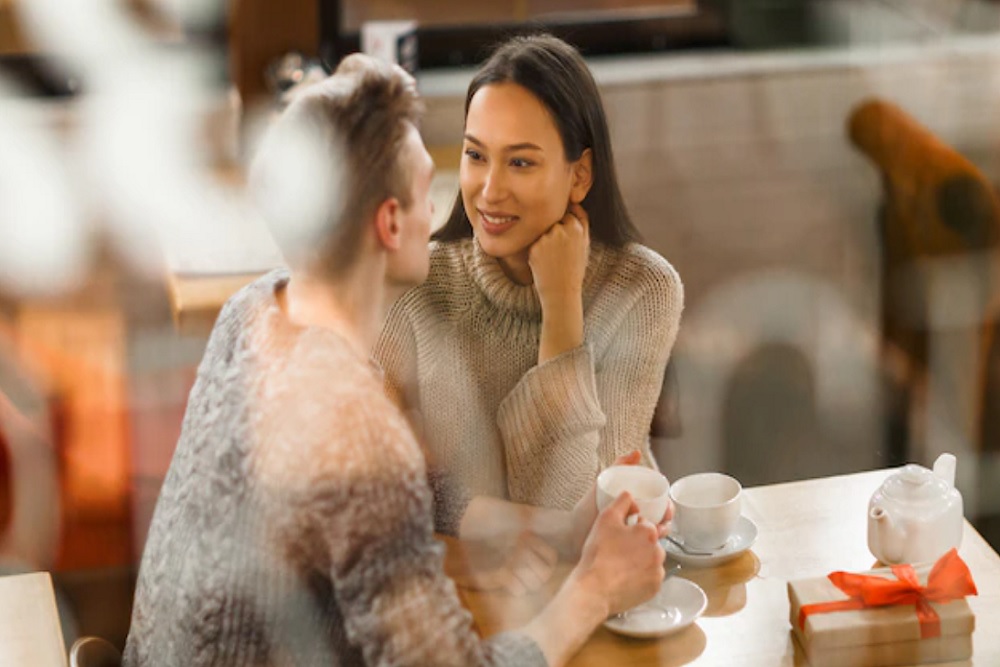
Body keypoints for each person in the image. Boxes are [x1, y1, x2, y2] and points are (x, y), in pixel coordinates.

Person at [123, 54, 667, 667]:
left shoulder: (252, 310)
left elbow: (399, 494)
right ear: (389, 223)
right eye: (420, 193)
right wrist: (592, 591)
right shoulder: (351, 424)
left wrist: (561, 533)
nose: (441, 213)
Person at [374, 34, 684, 510]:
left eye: (520, 162)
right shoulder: (416, 285)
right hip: (456, 574)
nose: (490, 190)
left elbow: (576, 509)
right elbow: (365, 480)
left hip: (603, 573)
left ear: (579, 175)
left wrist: (562, 305)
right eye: (476, 155)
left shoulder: (644, 289)